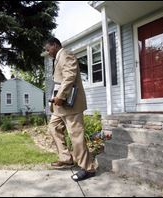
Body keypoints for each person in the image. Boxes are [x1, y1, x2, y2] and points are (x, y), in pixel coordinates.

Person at [44, 37, 96, 182]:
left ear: (55, 45)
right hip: (60, 106)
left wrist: (60, 96)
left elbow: (69, 76)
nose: (48, 53)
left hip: (70, 105)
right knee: (53, 127)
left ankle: (88, 168)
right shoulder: (57, 58)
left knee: (76, 136)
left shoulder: (66, 54)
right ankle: (66, 158)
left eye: (48, 49)